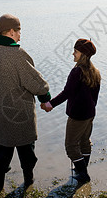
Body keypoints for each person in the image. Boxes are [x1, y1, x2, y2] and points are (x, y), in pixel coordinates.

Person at [0, 14, 51, 198]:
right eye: (19, 31)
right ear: (11, 32)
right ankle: (28, 183)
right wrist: (46, 98)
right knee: (27, 156)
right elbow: (38, 84)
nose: (21, 35)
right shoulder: (18, 55)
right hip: (21, 118)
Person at [41, 38, 101, 183]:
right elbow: (95, 96)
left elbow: (66, 93)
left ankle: (83, 174)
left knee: (71, 146)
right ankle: (81, 169)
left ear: (83, 54)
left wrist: (50, 104)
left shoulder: (76, 72)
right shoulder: (95, 72)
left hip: (78, 116)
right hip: (90, 114)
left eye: (75, 51)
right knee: (85, 141)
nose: (73, 54)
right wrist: (91, 109)